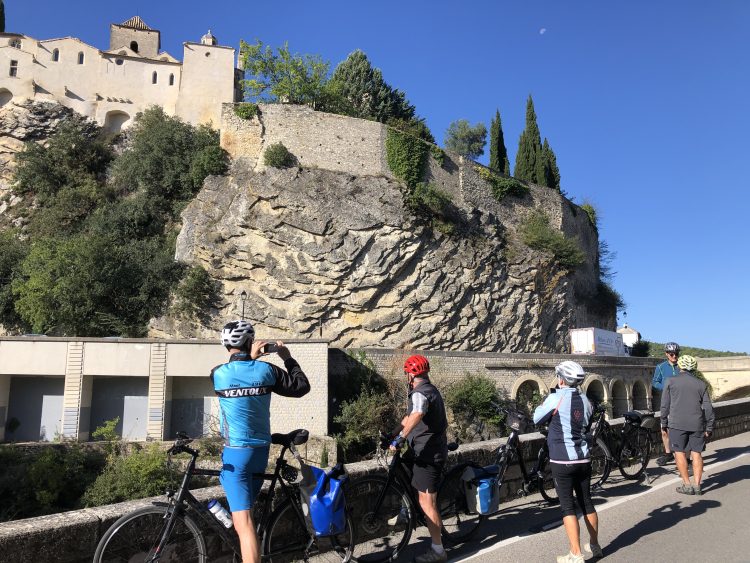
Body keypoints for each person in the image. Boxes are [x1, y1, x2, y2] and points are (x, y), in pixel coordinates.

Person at [211, 320, 311, 563]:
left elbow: (237, 377)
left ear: (226, 344)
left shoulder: (217, 374)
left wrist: (249, 358)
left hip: (235, 453)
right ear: (249, 342)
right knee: (245, 518)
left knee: (243, 524)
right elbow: (301, 387)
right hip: (260, 451)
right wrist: (286, 357)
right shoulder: (267, 371)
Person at [534, 361, 601, 563]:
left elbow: (537, 418)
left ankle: (575, 553)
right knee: (586, 502)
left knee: (567, 507)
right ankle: (595, 545)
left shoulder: (556, 398)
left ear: (561, 378)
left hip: (562, 460)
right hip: (583, 458)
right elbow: (586, 424)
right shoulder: (587, 401)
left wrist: (549, 400)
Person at [390, 354, 449, 563]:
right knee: (403, 467)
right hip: (423, 450)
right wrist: (393, 433)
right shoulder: (429, 390)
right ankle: (406, 510)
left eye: (407, 373)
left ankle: (438, 550)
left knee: (427, 502)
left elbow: (417, 414)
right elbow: (408, 417)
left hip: (429, 453)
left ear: (410, 375)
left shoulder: (419, 394)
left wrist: (400, 439)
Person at [660, 354, 714, 496]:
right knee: (697, 453)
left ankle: (687, 484)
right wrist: (709, 426)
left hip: (677, 424)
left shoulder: (670, 381)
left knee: (679, 453)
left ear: (680, 366)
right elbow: (708, 408)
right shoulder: (701, 384)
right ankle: (697, 485)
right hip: (697, 424)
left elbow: (665, 405)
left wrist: (663, 423)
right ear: (694, 368)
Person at [653, 342, 681, 466]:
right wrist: (665, 387)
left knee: (680, 430)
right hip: (667, 402)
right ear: (666, 354)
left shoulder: (682, 366)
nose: (674, 356)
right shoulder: (660, 367)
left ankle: (684, 456)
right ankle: (668, 453)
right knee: (664, 430)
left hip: (681, 402)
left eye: (676, 354)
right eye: (672, 354)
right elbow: (655, 382)